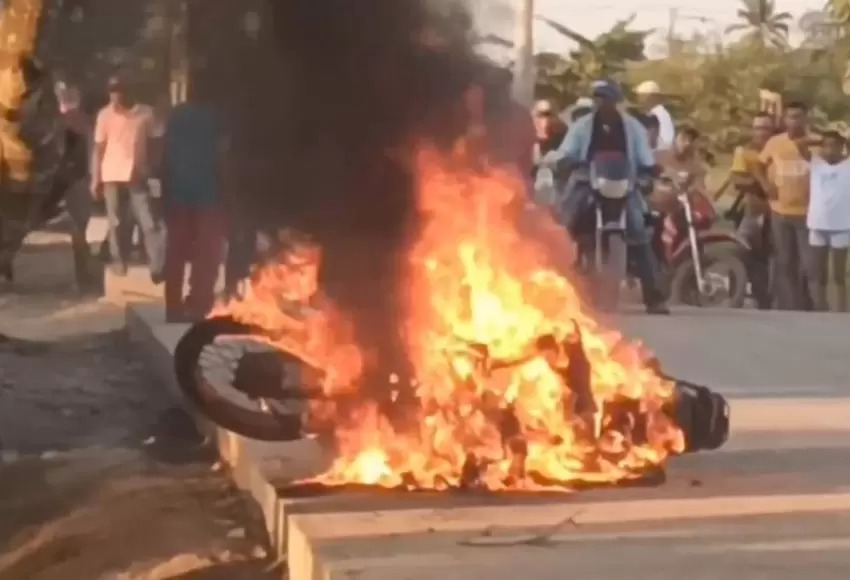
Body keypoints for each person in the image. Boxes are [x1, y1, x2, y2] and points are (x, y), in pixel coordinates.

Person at [557, 79, 669, 314]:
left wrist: (649, 169)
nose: (601, 102)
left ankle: (654, 297)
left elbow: (644, 156)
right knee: (565, 222)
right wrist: (567, 160)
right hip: (589, 181)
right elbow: (566, 151)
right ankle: (557, 285)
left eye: (606, 97)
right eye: (597, 97)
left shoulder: (632, 127)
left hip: (623, 185)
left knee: (638, 230)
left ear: (616, 101)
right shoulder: (582, 126)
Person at [161, 88, 229, 322]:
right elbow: (223, 157)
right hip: (208, 195)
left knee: (176, 253)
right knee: (207, 254)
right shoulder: (217, 117)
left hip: (178, 195)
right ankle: (199, 304)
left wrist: (164, 194)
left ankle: (173, 307)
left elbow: (165, 155)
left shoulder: (175, 117)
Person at [91, 76, 164, 280]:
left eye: (119, 90)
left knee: (148, 221)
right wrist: (95, 177)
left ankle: (156, 266)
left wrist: (153, 168)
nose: (115, 94)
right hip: (111, 175)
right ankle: (118, 261)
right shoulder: (104, 115)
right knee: (116, 221)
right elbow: (98, 149)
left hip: (137, 175)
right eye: (112, 91)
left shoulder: (145, 114)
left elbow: (156, 142)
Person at [755, 101, 813, 310]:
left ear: (807, 118)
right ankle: (789, 307)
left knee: (809, 264)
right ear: (784, 119)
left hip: (808, 213)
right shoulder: (775, 142)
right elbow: (758, 165)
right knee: (784, 261)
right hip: (780, 210)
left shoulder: (815, 143)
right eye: (790, 116)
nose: (794, 121)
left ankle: (810, 305)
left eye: (799, 116)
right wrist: (765, 185)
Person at [715, 112, 775, 309]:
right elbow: (737, 179)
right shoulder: (746, 151)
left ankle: (770, 299)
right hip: (753, 210)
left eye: (765, 128)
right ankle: (738, 294)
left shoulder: (780, 148)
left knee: (775, 258)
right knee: (741, 252)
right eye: (758, 127)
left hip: (779, 212)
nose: (761, 132)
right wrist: (761, 183)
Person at [56, 81, 96, 291]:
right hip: (83, 180)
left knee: (76, 231)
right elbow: (93, 151)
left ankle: (84, 276)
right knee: (81, 227)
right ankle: (84, 276)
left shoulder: (60, 124)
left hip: (69, 182)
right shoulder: (87, 123)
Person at [806, 130, 850, 312]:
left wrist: (844, 140)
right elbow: (799, 145)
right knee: (818, 272)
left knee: (839, 274)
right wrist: (818, 140)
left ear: (842, 148)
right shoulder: (815, 164)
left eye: (836, 146)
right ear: (821, 148)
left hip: (841, 225)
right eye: (827, 146)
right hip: (817, 224)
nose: (831, 150)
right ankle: (820, 308)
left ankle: (841, 310)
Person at [635, 80, 675, 151]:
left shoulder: (660, 115)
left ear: (651, 97)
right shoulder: (658, 114)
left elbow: (666, 142)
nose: (639, 100)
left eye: (642, 96)